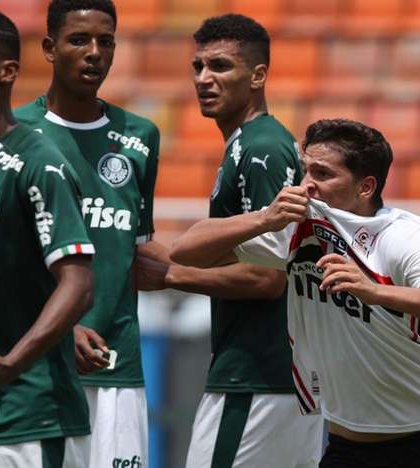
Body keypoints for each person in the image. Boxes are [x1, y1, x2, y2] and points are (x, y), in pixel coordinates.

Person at [171, 118, 420, 467]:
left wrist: (375, 292)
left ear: (365, 187)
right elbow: (186, 251)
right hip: (346, 443)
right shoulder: (293, 224)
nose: (307, 185)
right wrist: (262, 219)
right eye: (305, 171)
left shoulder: (401, 236)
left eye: (322, 174)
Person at [132, 13, 323, 467]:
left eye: (220, 66)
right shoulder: (245, 144)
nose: (204, 78)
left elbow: (266, 277)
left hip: (260, 374)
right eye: (198, 66)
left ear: (257, 75)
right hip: (271, 376)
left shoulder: (261, 148)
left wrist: (173, 276)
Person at [0, 5, 95, 466]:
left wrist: (11, 364)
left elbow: (78, 284)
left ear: (6, 71)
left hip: (32, 421)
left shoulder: (37, 165)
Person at [14, 1, 160, 466]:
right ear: (50, 48)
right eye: (79, 40)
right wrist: (62, 326)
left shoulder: (141, 137)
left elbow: (137, 249)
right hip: (36, 370)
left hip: (118, 366)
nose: (94, 52)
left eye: (106, 41)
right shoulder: (13, 133)